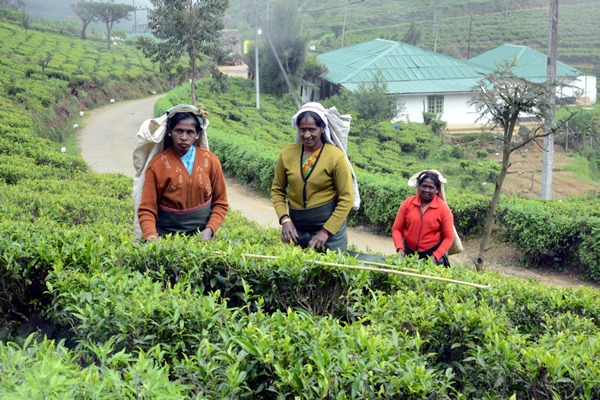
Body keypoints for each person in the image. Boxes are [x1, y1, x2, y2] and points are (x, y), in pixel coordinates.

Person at [137, 104, 229, 242]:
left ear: (197, 134)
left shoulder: (211, 161)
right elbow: (147, 209)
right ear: (169, 131)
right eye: (178, 131)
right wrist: (152, 237)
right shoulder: (157, 165)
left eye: (190, 132)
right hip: (165, 238)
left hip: (202, 237)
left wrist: (209, 230)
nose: (184, 137)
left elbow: (220, 202)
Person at [271, 102, 355, 253]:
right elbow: (277, 190)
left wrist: (326, 231)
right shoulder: (287, 154)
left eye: (312, 129)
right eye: (302, 130)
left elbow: (347, 198)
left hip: (330, 232)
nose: (307, 135)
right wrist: (284, 219)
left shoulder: (336, 157)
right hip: (297, 230)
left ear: (322, 128)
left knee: (329, 267)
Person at [392, 170, 454, 266]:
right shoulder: (408, 203)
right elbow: (397, 229)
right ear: (419, 186)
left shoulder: (443, 209)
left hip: (432, 254)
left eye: (431, 187)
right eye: (424, 186)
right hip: (408, 252)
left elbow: (448, 238)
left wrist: (435, 257)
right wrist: (400, 249)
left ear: (437, 189)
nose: (426, 190)